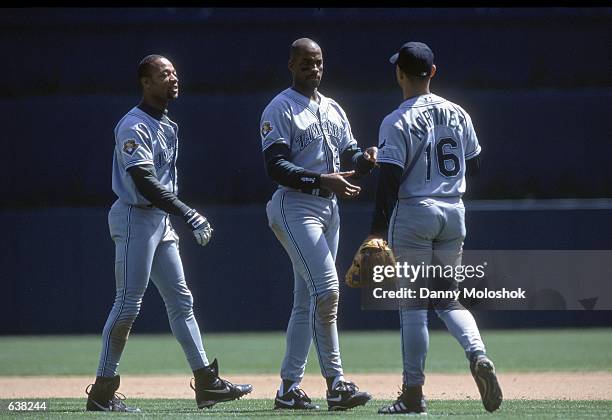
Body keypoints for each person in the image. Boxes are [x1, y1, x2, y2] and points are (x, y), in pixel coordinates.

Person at [85, 54, 252, 412]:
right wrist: (188, 212)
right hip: (134, 217)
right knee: (128, 305)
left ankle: (207, 383)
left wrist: (177, 214)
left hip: (158, 221)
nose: (173, 78)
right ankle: (101, 391)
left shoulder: (167, 123)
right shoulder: (134, 124)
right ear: (146, 82)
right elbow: (143, 181)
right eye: (164, 74)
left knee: (181, 302)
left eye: (174, 71)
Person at [367, 42, 503, 415]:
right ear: (433, 72)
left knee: (412, 307)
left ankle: (413, 395)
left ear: (399, 74)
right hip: (453, 211)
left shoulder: (396, 120)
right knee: (447, 299)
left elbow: (390, 180)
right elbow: (472, 166)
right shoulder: (458, 113)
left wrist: (376, 230)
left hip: (414, 212)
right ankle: (478, 354)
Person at [260, 38, 377, 411]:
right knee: (327, 291)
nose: (314, 69)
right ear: (291, 65)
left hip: (329, 210)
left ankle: (289, 389)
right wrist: (322, 180)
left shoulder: (333, 108)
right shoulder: (280, 108)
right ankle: (337, 384)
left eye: (319, 62)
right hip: (294, 207)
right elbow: (275, 166)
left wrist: (366, 159)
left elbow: (350, 153)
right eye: (306, 63)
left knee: (305, 300)